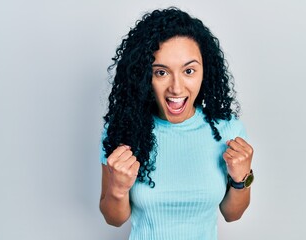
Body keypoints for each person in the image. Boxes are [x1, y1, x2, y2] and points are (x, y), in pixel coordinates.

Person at [99, 7, 254, 240]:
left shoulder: (228, 131)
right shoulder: (123, 130)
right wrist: (118, 189)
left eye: (189, 71)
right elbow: (113, 218)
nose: (177, 88)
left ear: (205, 71)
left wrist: (241, 179)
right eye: (161, 72)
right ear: (144, 76)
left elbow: (233, 214)